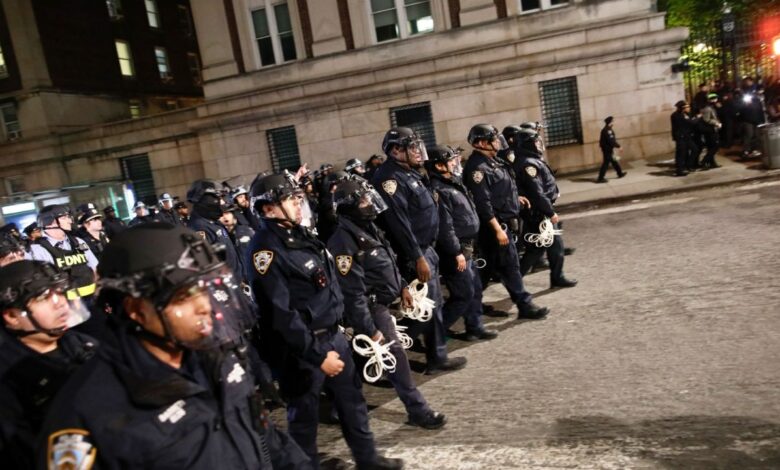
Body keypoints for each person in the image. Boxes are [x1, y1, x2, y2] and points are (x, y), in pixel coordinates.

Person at [37, 224, 310, 469]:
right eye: (184, 296)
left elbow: (266, 438)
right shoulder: (87, 413)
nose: (204, 307)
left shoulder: (218, 357)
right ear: (136, 309)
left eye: (205, 290)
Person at [248, 173, 403, 470]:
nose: (297, 203)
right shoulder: (265, 249)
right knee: (304, 417)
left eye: (296, 197)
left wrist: (353, 327)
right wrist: (318, 356)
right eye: (288, 199)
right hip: (303, 349)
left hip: (332, 336)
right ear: (268, 208)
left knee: (353, 404)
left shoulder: (300, 234)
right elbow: (280, 314)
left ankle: (368, 460)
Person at [327, 178, 447, 429]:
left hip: (383, 300)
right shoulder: (343, 242)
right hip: (370, 307)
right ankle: (417, 409)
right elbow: (352, 293)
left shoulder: (368, 228)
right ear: (349, 208)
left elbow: (388, 261)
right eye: (363, 201)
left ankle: (341, 405)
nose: (369, 204)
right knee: (396, 355)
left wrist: (402, 285)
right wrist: (370, 329)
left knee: (355, 363)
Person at [372, 127, 467, 375]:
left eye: (417, 146)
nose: (417, 151)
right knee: (421, 311)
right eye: (411, 147)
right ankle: (384, 355)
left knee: (429, 307)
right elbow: (399, 224)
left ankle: (435, 356)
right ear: (395, 150)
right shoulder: (389, 179)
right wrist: (417, 257)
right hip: (414, 254)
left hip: (426, 249)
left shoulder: (408, 173)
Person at [0, 260, 96, 468]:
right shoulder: (8, 377)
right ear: (12, 316)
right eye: (43, 297)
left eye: (59, 292)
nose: (60, 302)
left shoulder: (85, 344)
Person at [462, 124, 549, 320]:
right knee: (510, 267)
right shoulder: (478, 168)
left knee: (486, 271)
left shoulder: (492, 162)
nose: (497, 142)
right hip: (495, 227)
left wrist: (514, 199)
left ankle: (470, 305)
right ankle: (524, 305)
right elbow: (482, 203)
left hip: (502, 224)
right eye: (493, 139)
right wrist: (497, 229)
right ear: (482, 143)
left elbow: (499, 190)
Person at [426, 145, 497, 341]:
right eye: (451, 161)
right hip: (456, 251)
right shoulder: (438, 190)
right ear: (439, 166)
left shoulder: (453, 183)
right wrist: (456, 251)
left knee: (474, 290)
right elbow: (445, 227)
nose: (455, 163)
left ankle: (475, 326)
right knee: (462, 294)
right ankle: (436, 337)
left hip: (467, 247)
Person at [512, 128, 577, 288]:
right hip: (540, 213)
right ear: (528, 144)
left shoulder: (530, 160)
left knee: (538, 249)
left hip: (538, 211)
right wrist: (550, 212)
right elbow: (536, 192)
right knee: (550, 247)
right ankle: (555, 278)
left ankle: (517, 280)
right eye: (536, 141)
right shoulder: (528, 164)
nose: (539, 144)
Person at [186, 179, 244, 283]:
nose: (222, 202)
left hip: (237, 282)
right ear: (207, 200)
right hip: (229, 287)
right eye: (219, 197)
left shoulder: (211, 221)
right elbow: (207, 268)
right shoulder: (199, 228)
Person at [219, 205, 256, 284]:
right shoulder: (223, 236)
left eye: (227, 213)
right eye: (221, 215)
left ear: (233, 215)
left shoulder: (245, 231)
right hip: (240, 278)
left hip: (252, 275)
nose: (224, 217)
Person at [597, 116, 626, 182]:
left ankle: (620, 173)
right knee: (606, 163)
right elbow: (611, 141)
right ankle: (600, 178)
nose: (613, 122)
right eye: (613, 121)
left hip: (608, 149)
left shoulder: (608, 129)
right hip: (607, 150)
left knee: (614, 161)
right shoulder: (607, 130)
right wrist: (619, 146)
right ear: (610, 122)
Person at [670, 101, 695, 176]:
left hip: (686, 136)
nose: (689, 108)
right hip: (681, 137)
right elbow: (689, 122)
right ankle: (679, 171)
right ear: (683, 108)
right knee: (681, 154)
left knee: (694, 149)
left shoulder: (684, 114)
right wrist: (696, 118)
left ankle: (688, 165)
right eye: (687, 107)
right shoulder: (677, 116)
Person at [700, 93, 723, 169]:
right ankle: (704, 161)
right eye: (715, 99)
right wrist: (716, 123)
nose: (716, 100)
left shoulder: (711, 107)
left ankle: (712, 163)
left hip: (712, 129)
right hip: (710, 130)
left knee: (711, 147)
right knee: (715, 146)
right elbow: (706, 119)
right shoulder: (708, 108)